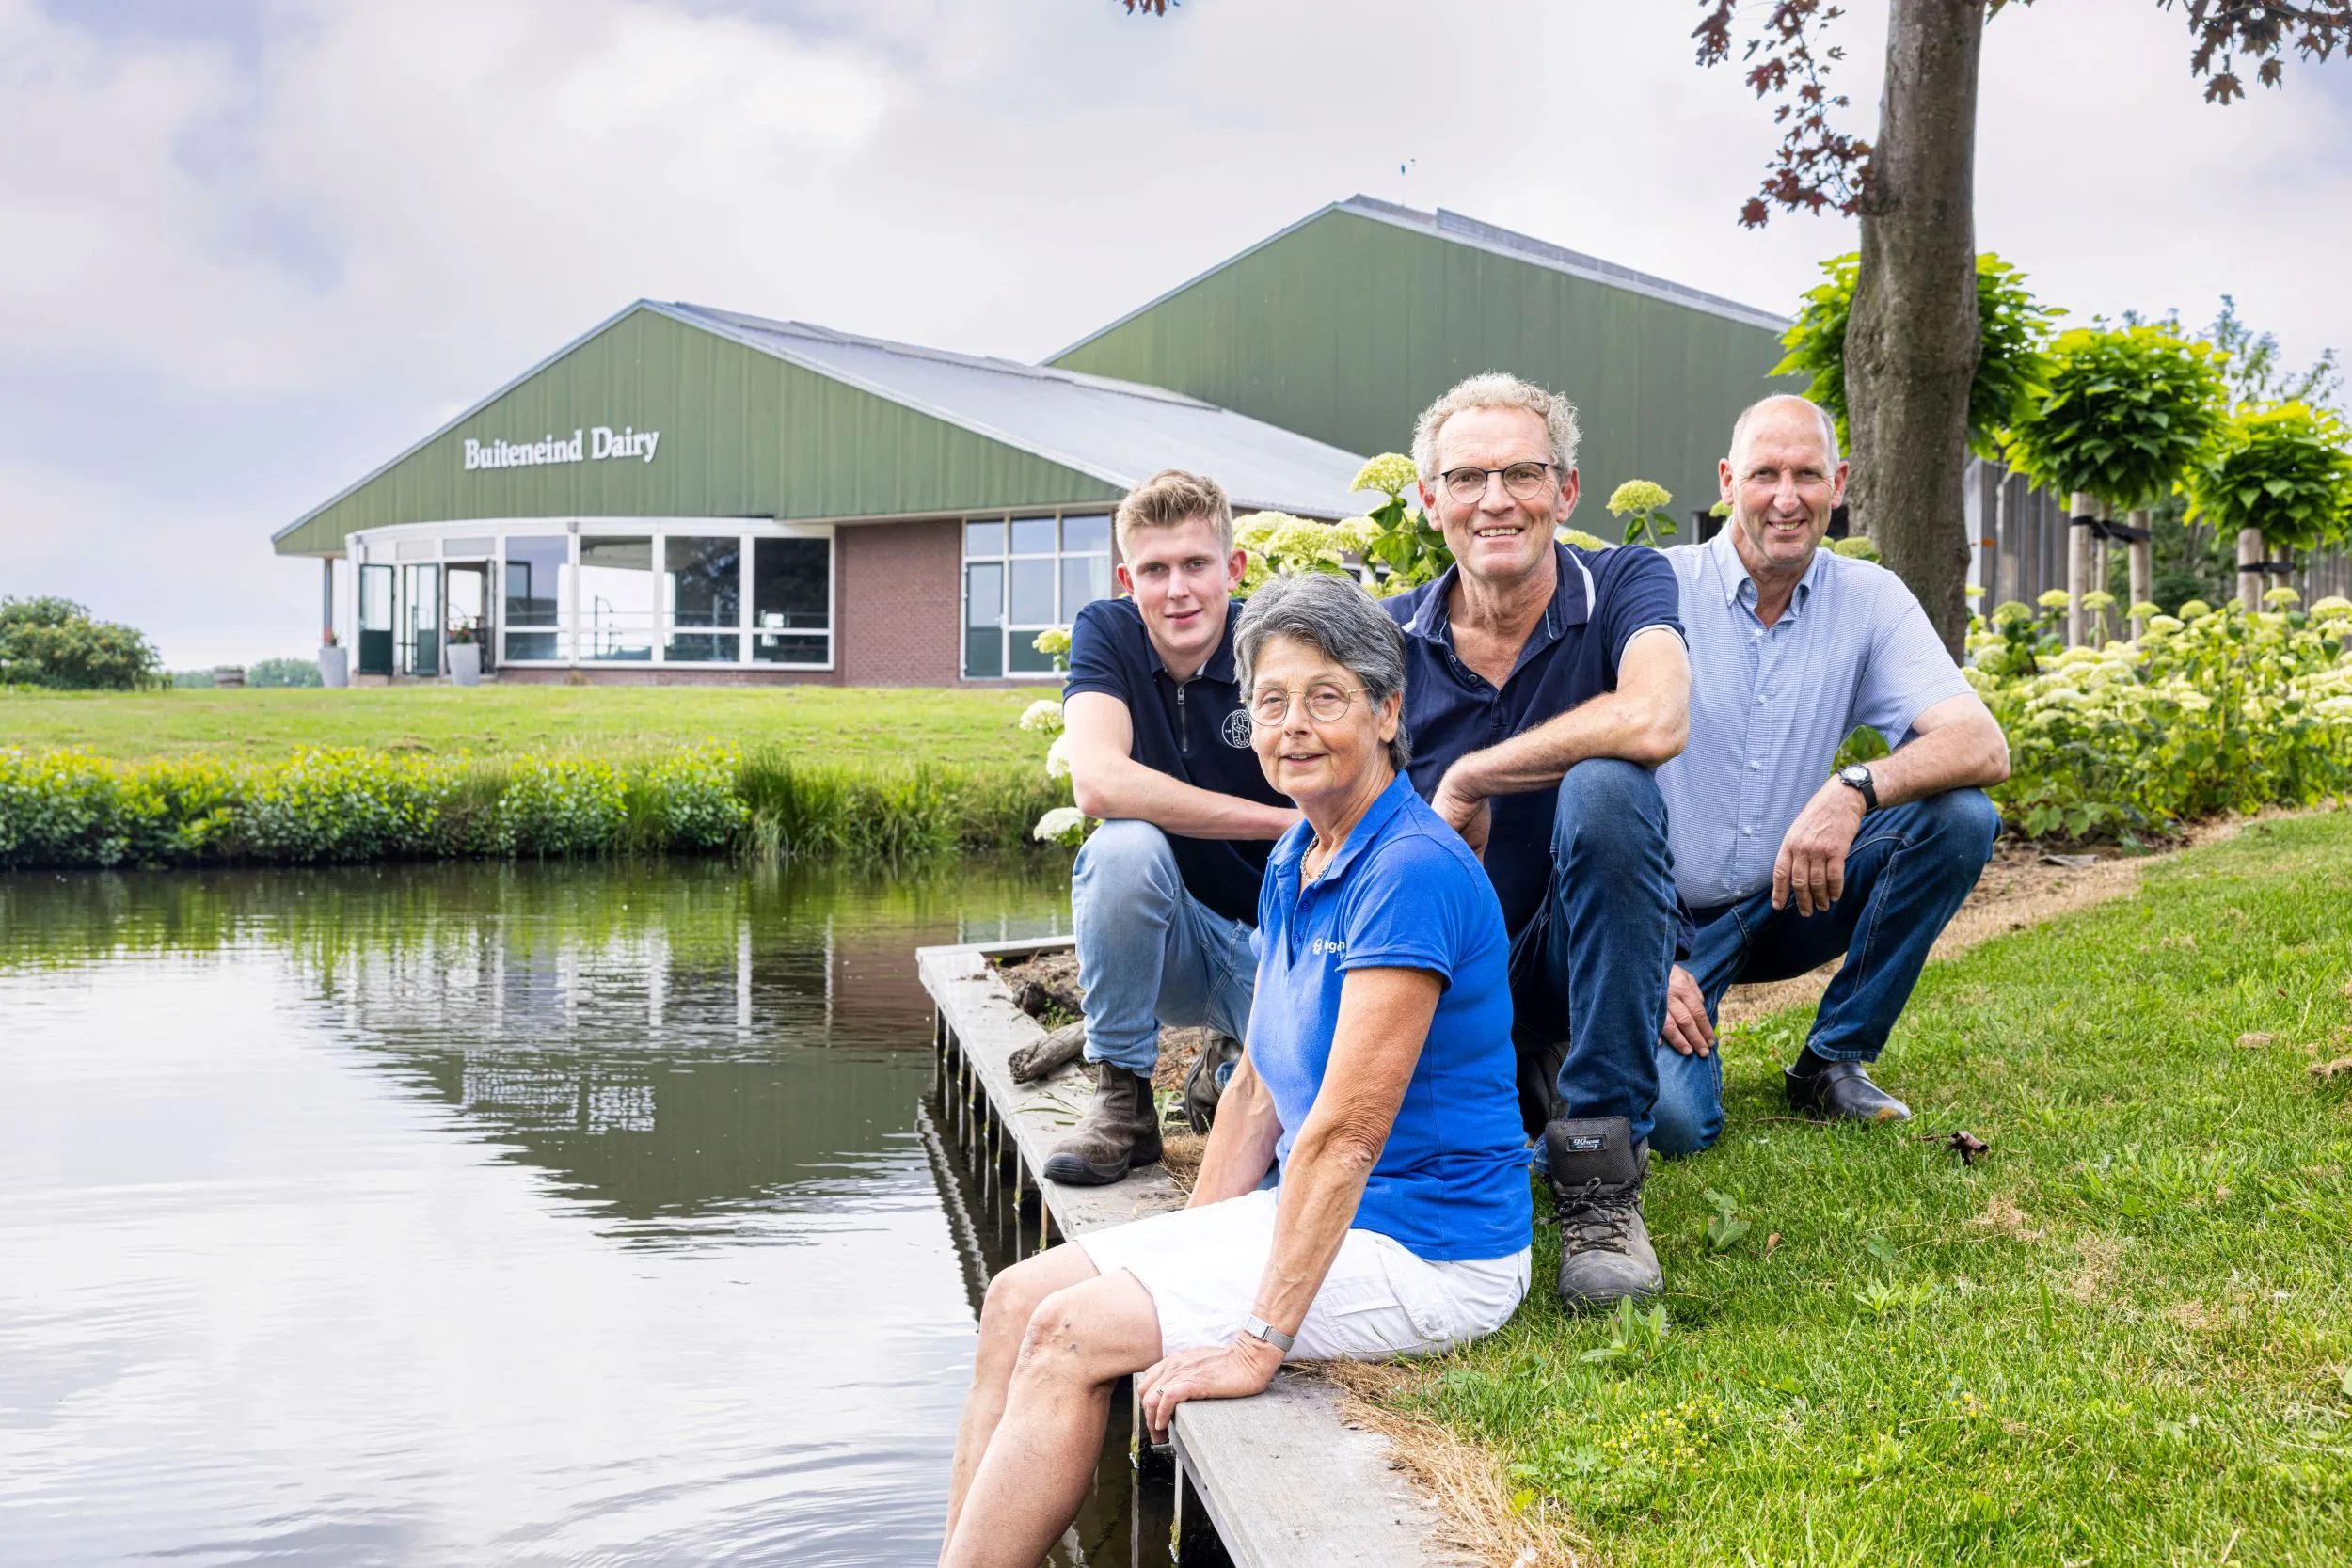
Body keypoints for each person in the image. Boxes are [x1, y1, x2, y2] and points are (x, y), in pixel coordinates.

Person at [937, 572, 1530, 1568]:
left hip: (1429, 1247)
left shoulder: (1410, 870)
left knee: (1069, 1333)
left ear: (1388, 711)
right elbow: (1257, 1082)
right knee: (1013, 1303)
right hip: (1327, 1213)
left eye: (1325, 697)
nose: (1292, 724)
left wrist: (1254, 1339)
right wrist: (1182, 1246)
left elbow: (1344, 1135)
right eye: (1269, 700)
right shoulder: (1303, 846)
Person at [1383, 372, 1691, 1312]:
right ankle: (1512, 1083)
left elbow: (1653, 715)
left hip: (1571, 956)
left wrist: (1470, 775)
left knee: (1604, 782)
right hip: (1448, 968)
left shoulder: (1626, 584)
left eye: (1522, 472)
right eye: (1466, 477)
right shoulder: (1382, 638)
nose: (1494, 499)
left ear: (1566, 490)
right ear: (1429, 500)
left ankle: (1597, 1179)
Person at [1650, 393, 2010, 1152]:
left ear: (1839, 483)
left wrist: (1855, 788)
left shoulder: (1869, 599)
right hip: (1666, 925)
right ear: (1725, 481)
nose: (1787, 498)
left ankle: (1830, 1059)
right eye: (1765, 474)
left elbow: (1982, 745)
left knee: (1960, 818)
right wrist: (1631, 958)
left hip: (1790, 899)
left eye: (1807, 474)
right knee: (1674, 1123)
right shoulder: (1658, 586)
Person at [1047, 470, 1298, 1185]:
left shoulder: (1276, 644)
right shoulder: (1108, 631)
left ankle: (1226, 1065)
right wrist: (1276, 820)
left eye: (1196, 564)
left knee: (1293, 1142)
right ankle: (1123, 1100)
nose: (1178, 589)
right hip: (1174, 942)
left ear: (1234, 568)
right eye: (1155, 570)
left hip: (1280, 944)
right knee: (1122, 848)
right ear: (1129, 578)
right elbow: (1097, 780)